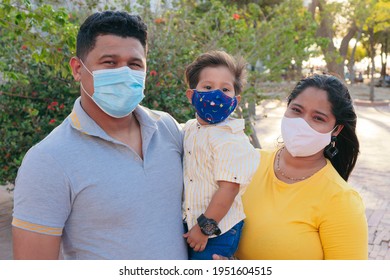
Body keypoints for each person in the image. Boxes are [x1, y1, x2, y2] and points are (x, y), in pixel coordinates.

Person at [12, 11, 187, 260]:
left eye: (135, 64)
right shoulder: (48, 160)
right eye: (110, 63)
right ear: (77, 69)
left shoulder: (167, 128)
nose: (125, 73)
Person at [213, 74, 368, 260]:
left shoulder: (341, 200)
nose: (302, 123)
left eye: (318, 118)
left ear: (336, 129)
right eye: (296, 110)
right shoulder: (250, 162)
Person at [182, 51, 260, 260]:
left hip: (217, 230)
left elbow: (229, 188)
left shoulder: (231, 139)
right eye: (208, 87)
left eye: (225, 89)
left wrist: (204, 228)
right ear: (192, 95)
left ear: (235, 101)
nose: (216, 95)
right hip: (193, 224)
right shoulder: (190, 128)